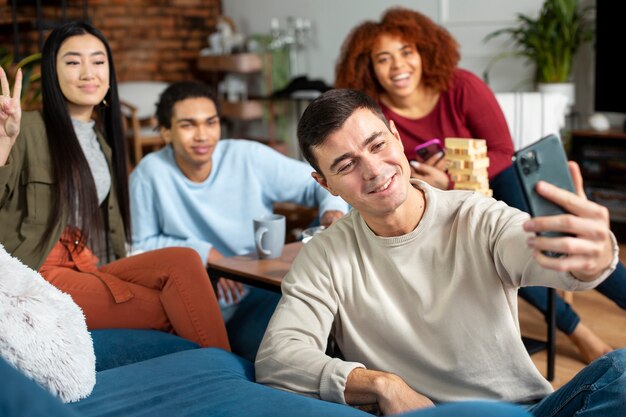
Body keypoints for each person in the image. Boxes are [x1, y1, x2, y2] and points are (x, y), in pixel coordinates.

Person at [255, 89, 624, 417]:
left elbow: (537, 253)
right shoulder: (324, 255)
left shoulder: (476, 215)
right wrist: (385, 386)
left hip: (520, 410)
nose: (373, 170)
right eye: (346, 165)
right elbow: (277, 359)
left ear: (397, 138)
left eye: (377, 144)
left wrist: (593, 255)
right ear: (324, 183)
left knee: (620, 371)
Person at [335, 6, 624, 364]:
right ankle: (579, 332)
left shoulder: (461, 86)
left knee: (547, 230)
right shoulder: (377, 119)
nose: (398, 66)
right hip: (443, 207)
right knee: (505, 244)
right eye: (383, 58)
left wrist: (457, 178)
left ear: (424, 51)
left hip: (500, 180)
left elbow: (503, 150)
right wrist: (442, 187)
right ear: (368, 67)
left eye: (406, 52)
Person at [0, 22, 229, 350]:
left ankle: (227, 377)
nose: (88, 73)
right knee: (170, 309)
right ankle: (227, 379)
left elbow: (107, 233)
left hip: (87, 262)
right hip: (38, 270)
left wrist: (114, 276)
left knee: (184, 260)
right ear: (52, 71)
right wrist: (2, 144)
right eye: (73, 62)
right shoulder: (26, 129)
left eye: (98, 61)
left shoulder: (102, 143)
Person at [129, 80, 349, 357]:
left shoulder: (247, 157)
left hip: (259, 288)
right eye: (188, 125)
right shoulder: (149, 174)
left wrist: (332, 211)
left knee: (303, 340)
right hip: (196, 296)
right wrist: (205, 254)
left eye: (211, 122)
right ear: (165, 132)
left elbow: (318, 182)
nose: (202, 135)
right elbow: (139, 245)